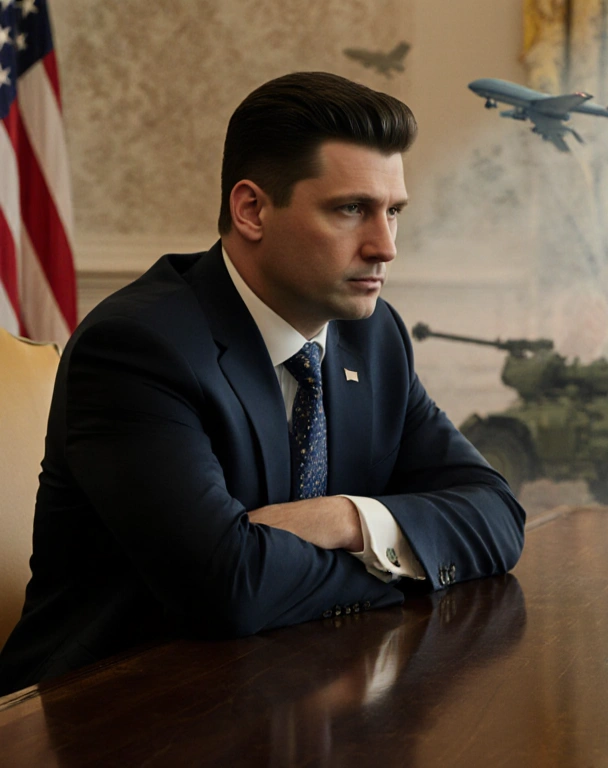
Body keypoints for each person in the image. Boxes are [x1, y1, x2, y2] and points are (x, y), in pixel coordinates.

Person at [0, 72, 526, 694]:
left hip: (294, 687)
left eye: (393, 212)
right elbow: (229, 587)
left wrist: (348, 521)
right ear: (251, 209)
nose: (385, 247)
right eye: (351, 209)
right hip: (113, 705)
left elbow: (497, 514)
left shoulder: (373, 336)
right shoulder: (137, 347)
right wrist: (410, 559)